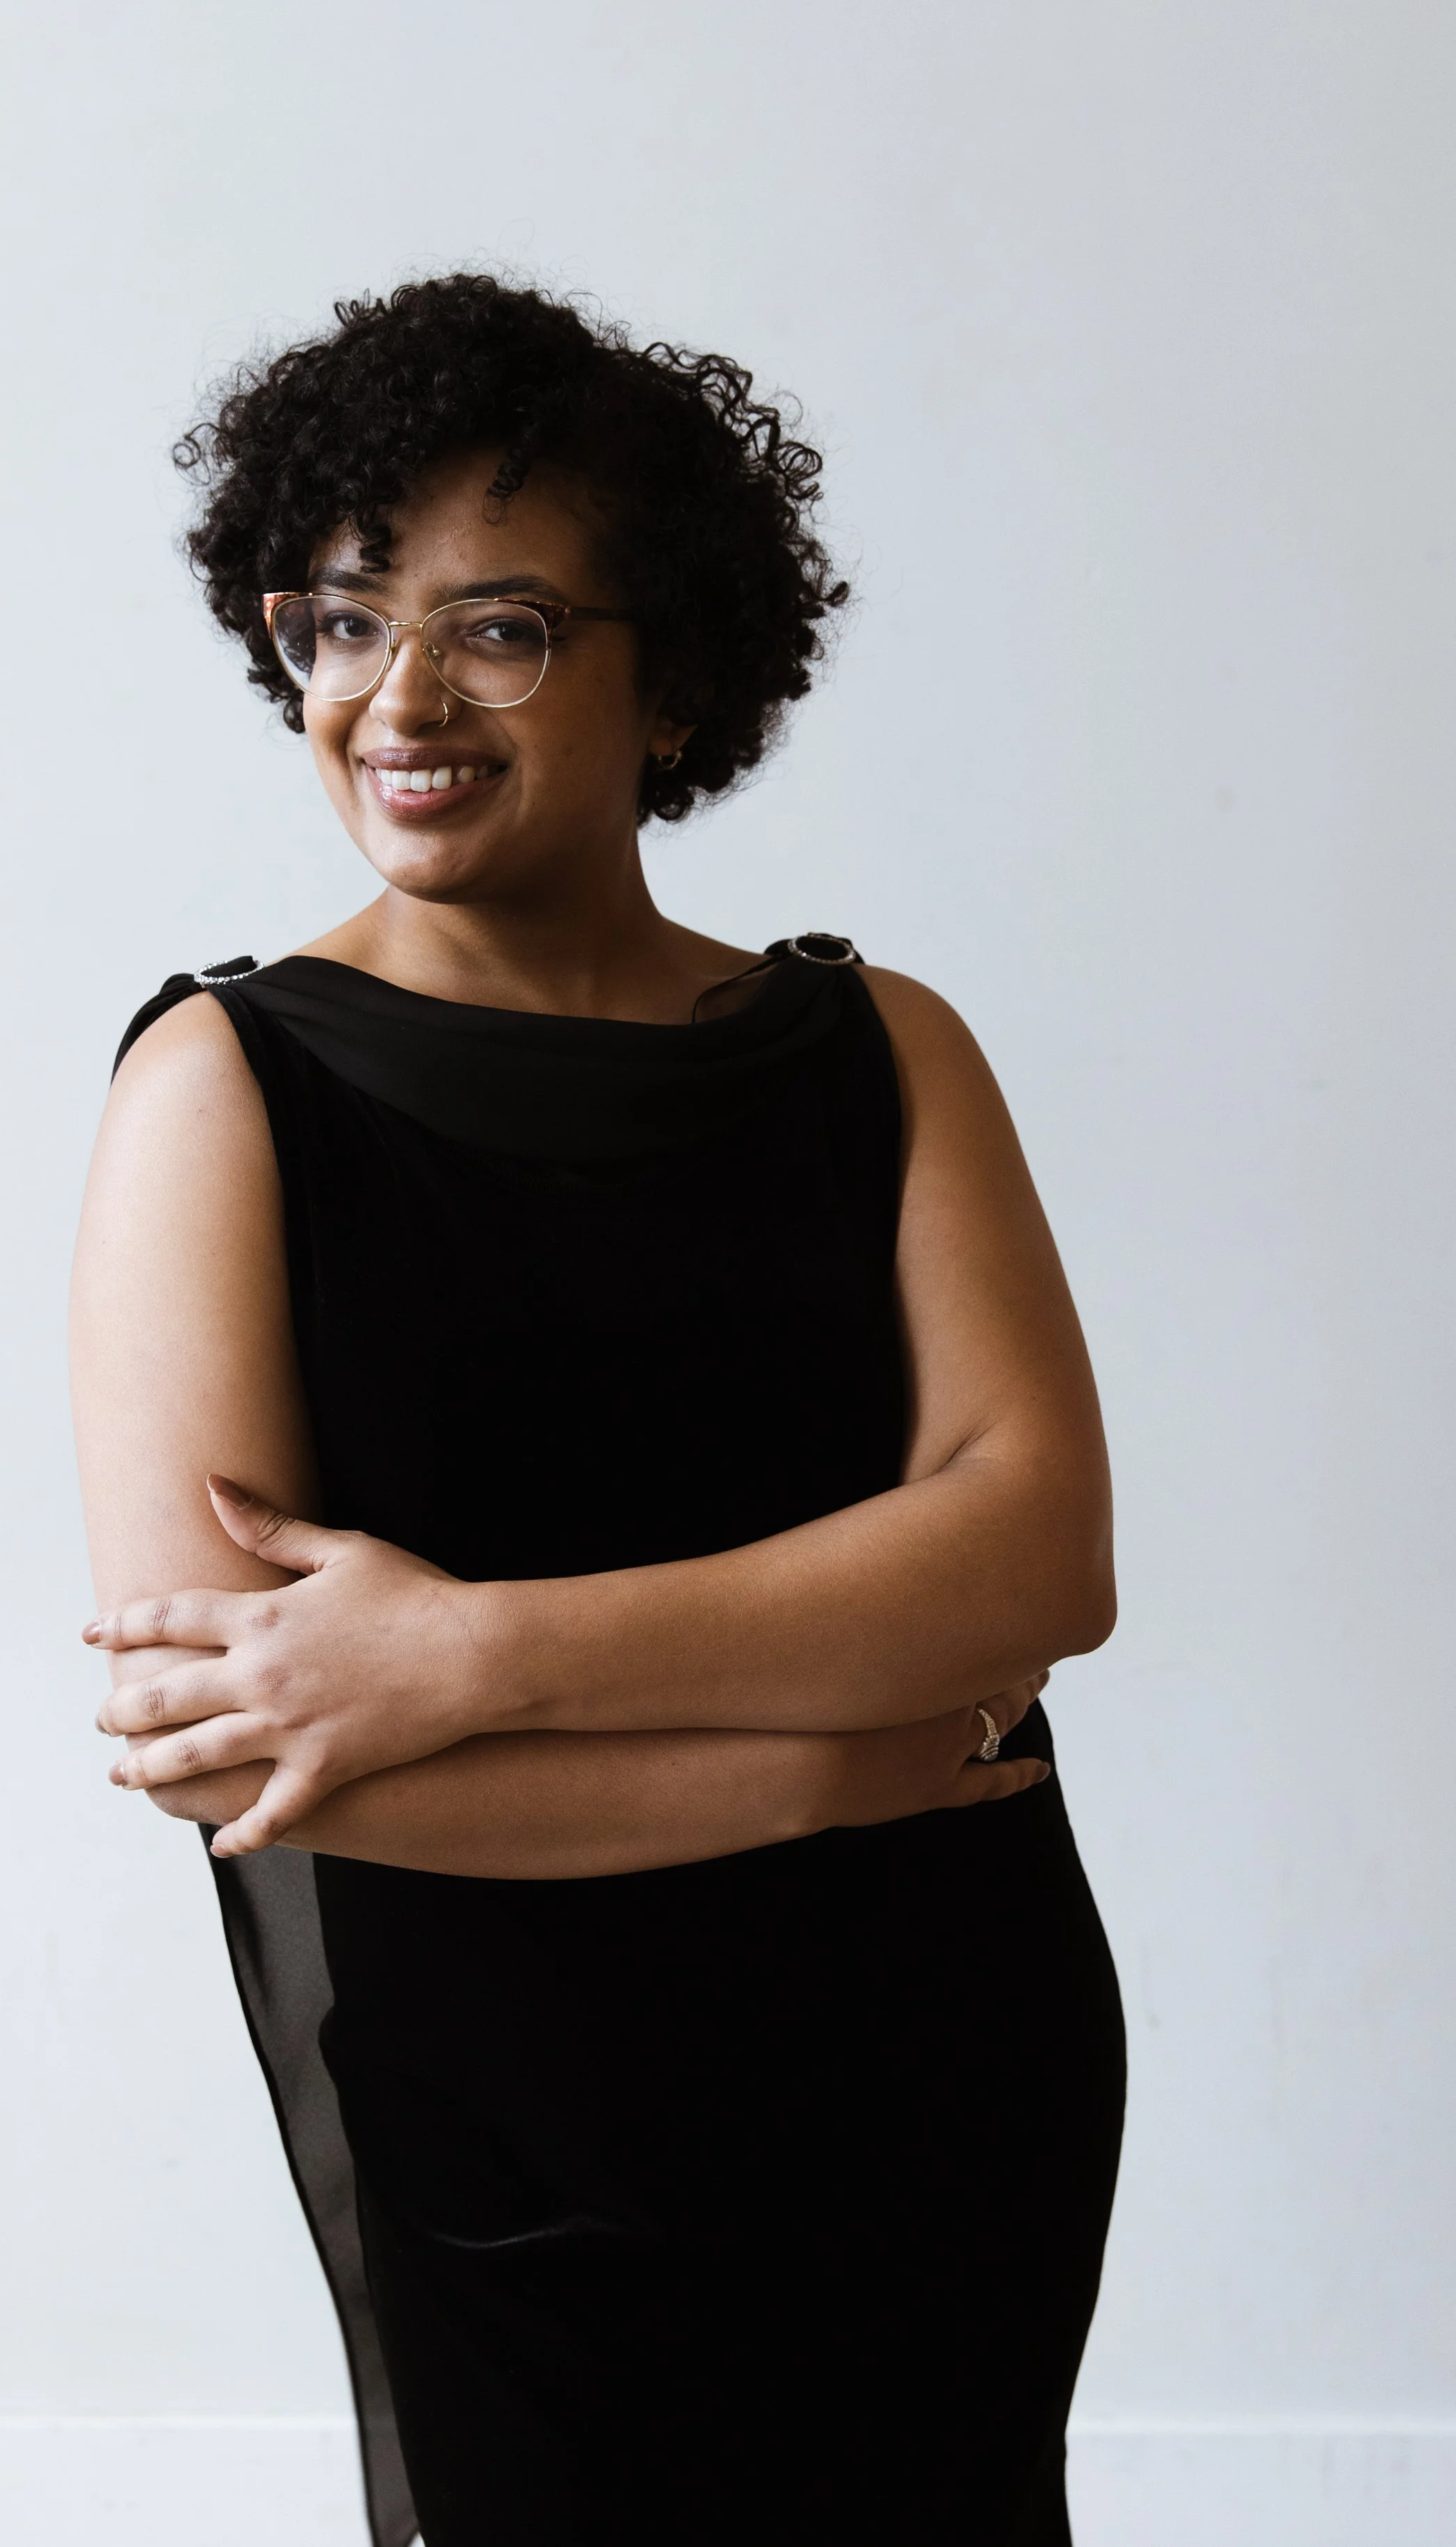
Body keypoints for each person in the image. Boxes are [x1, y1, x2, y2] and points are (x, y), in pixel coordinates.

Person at [69, 274, 1126, 2547]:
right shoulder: (223, 1089)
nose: (398, 697)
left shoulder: (881, 1051)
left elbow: (1035, 1560)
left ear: (679, 677)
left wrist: (466, 1655)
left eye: (503, 624)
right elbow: (236, 1746)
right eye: (340, 619)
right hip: (510, 2100)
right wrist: (844, 1753)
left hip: (943, 2047)